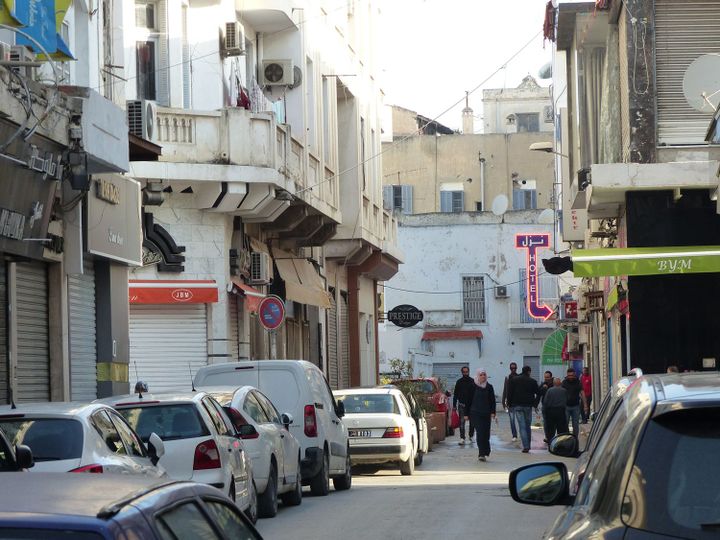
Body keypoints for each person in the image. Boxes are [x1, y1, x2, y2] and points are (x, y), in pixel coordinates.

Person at [507, 365, 539, 453]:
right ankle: (528, 444)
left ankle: (526, 446)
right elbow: (538, 393)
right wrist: (535, 404)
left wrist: (509, 405)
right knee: (527, 426)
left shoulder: (514, 380)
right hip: (528, 406)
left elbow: (509, 392)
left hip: (517, 405)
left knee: (522, 426)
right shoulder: (532, 381)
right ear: (529, 371)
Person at [469, 368, 496, 461]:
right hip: (475, 413)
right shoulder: (473, 386)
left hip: (486, 413)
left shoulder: (489, 387)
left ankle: (486, 450)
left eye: (484, 374)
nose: (483, 376)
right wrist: (466, 414)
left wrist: (493, 412)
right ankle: (481, 453)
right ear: (477, 376)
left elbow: (492, 401)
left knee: (486, 433)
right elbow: (468, 400)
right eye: (481, 375)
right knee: (480, 432)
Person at [562, 367, 588, 438]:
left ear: (574, 375)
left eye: (572, 375)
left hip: (576, 406)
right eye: (569, 375)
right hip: (566, 406)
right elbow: (561, 393)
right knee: (565, 424)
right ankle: (567, 438)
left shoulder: (578, 382)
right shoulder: (564, 382)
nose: (570, 377)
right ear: (567, 375)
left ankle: (575, 439)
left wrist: (585, 405)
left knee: (575, 425)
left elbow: (582, 393)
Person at [452, 366, 475, 445]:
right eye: (464, 372)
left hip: (472, 405)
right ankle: (462, 438)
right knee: (462, 422)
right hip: (462, 405)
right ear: (462, 372)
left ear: (468, 372)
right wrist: (454, 405)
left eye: (466, 372)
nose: (465, 373)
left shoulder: (472, 381)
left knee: (472, 422)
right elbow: (455, 394)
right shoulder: (459, 382)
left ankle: (471, 436)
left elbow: (475, 394)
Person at [543, 378, 569, 442]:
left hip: (551, 411)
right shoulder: (564, 391)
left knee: (551, 428)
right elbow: (566, 400)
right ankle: (561, 441)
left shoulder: (549, 390)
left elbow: (545, 402)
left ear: (553, 383)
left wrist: (545, 411)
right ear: (560, 383)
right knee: (561, 427)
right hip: (561, 411)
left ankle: (550, 440)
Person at [501, 362, 520, 442]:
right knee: (512, 420)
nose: (513, 369)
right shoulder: (508, 378)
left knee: (520, 420)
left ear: (516, 368)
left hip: (519, 402)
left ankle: (521, 434)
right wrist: (503, 401)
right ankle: (514, 435)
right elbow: (505, 390)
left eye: (514, 368)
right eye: (512, 368)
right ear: (510, 368)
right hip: (510, 403)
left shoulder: (519, 377)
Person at [537, 370, 553, 441]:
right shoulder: (543, 384)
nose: (546, 378)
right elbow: (538, 392)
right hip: (545, 406)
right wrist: (543, 388)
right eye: (545, 377)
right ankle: (547, 437)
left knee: (553, 422)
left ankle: (552, 436)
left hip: (553, 406)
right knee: (546, 422)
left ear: (551, 377)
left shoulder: (554, 384)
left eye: (548, 377)